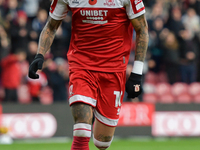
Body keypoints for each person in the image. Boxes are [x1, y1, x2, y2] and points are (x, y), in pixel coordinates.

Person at [28, 0, 148, 149]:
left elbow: (142, 29)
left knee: (102, 142)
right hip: (81, 65)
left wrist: (137, 73)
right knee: (81, 128)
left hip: (113, 70)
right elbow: (51, 26)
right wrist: (40, 54)